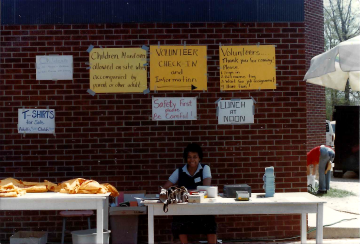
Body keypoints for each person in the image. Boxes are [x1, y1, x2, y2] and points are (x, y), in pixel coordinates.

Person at [163, 143, 217, 244]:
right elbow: (164, 188)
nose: (192, 160)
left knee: (210, 219)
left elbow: (205, 188)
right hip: (185, 207)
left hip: (202, 206)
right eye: (189, 157)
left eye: (195, 157)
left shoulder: (205, 168)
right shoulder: (179, 171)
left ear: (199, 158)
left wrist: (183, 192)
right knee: (178, 218)